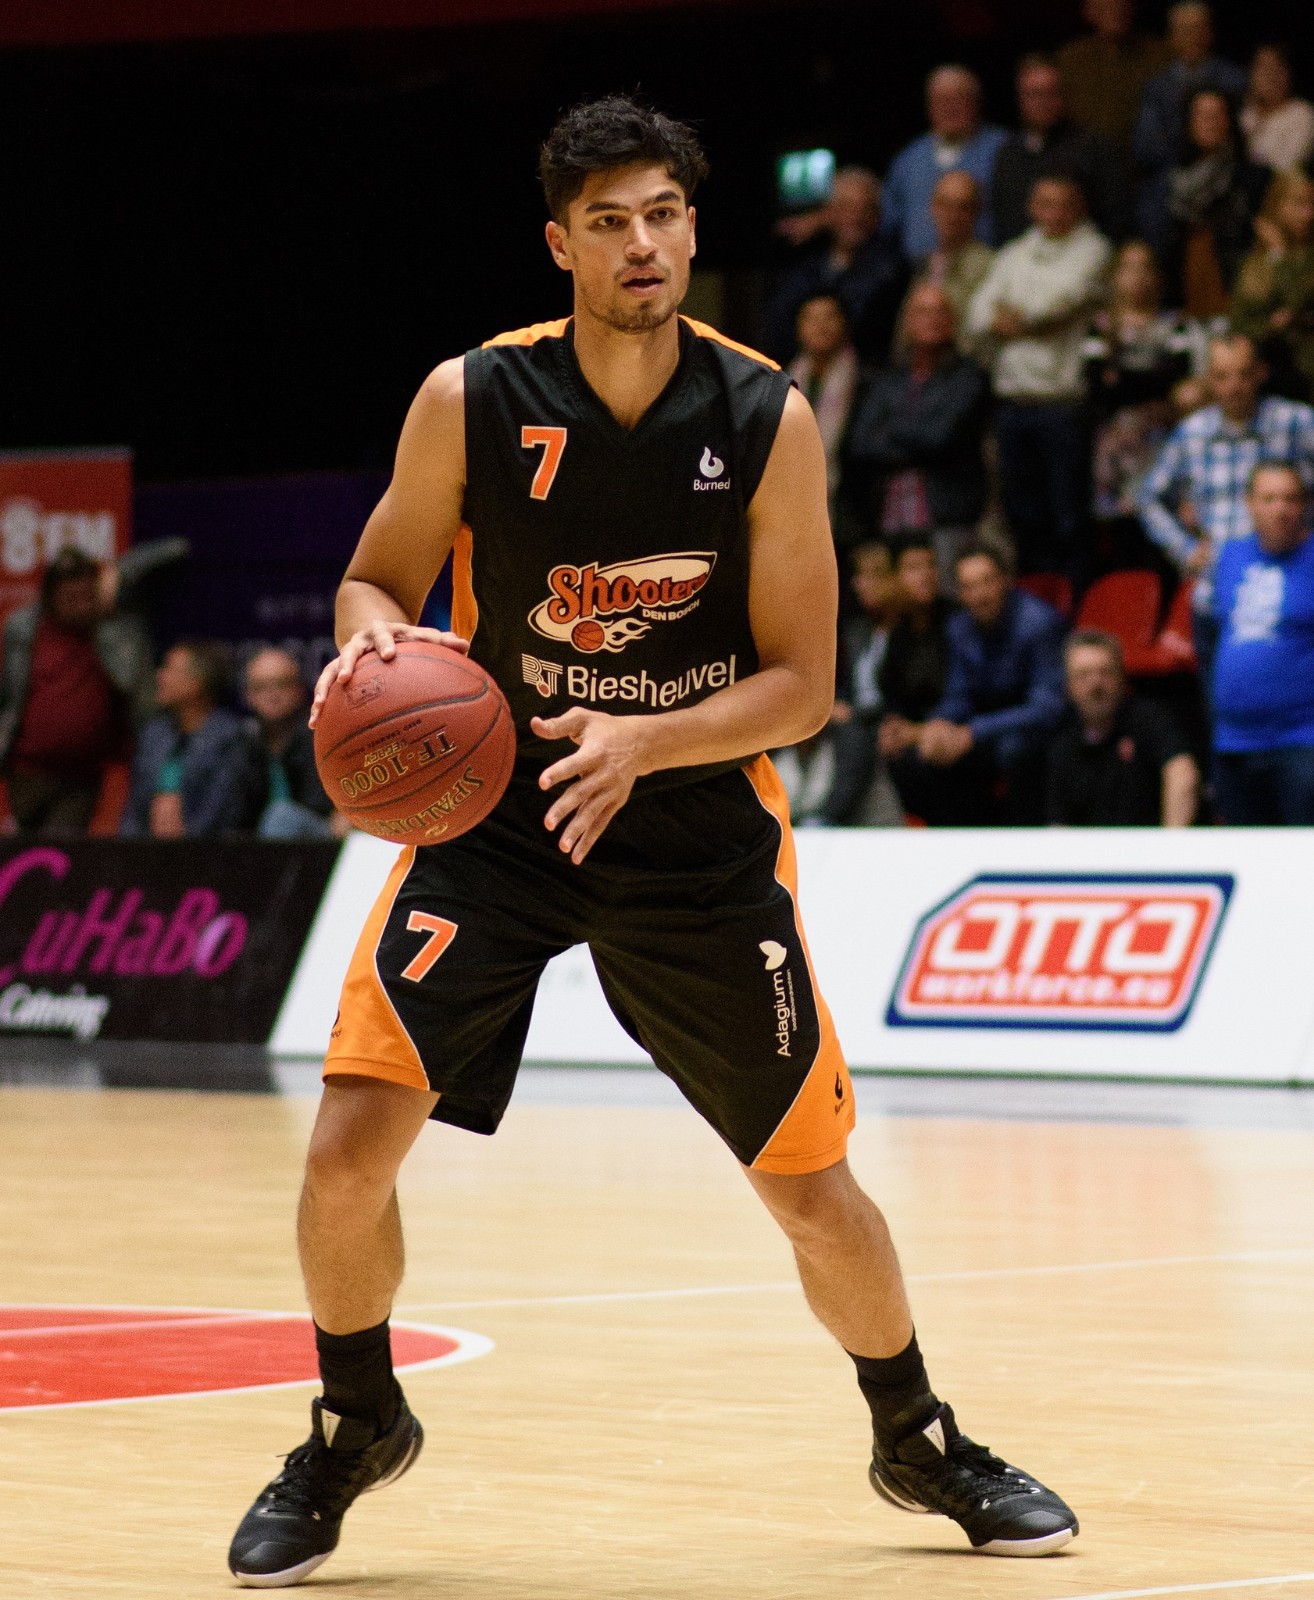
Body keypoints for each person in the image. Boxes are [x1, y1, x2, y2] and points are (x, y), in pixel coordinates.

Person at [224, 97, 1079, 1588]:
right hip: (498, 817)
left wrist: (643, 739)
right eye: (610, 221)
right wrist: (368, 647)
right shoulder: (472, 397)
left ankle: (917, 1435)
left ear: (693, 229)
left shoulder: (764, 417)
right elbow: (376, 578)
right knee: (347, 1150)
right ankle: (355, 1421)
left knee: (807, 1188)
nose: (643, 244)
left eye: (665, 215)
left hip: (693, 829)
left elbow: (803, 687)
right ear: (560, 244)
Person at [1138, 332, 1314, 676]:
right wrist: (1185, 549)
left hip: (1293, 593)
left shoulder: (1295, 422)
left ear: (1261, 373)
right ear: (1209, 380)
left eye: (1244, 374)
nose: (1234, 386)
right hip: (1217, 595)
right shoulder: (1193, 433)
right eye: (1222, 376)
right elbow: (1148, 497)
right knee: (1225, 702)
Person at [967, 175, 1112, 579]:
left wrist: (1018, 316)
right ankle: (1037, 598)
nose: (1055, 212)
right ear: (1031, 208)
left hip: (1062, 403)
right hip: (1013, 403)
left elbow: (1055, 302)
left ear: (1079, 208)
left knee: (1069, 516)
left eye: (1064, 203)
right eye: (1045, 203)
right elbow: (977, 313)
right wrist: (1020, 321)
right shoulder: (1014, 253)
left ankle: (1076, 600)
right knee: (1022, 516)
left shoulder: (1093, 249)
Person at [885, 543, 1066, 825]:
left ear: (1005, 581)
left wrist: (973, 732)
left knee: (1013, 752)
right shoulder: (959, 628)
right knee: (920, 757)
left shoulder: (1038, 623)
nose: (980, 595)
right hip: (982, 729)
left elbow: (1046, 709)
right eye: (969, 587)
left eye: (986, 582)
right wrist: (937, 726)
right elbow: (958, 697)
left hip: (1031, 729)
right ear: (960, 594)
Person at [0, 548, 154, 836]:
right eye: (70, 597)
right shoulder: (22, 629)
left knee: (60, 847)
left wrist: (117, 574)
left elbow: (176, 550)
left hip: (82, 776)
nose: (80, 606)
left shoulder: (116, 632)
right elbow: (9, 697)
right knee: (24, 852)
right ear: (50, 597)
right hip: (26, 771)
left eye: (87, 595)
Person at [844, 283, 989, 579]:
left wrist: (890, 427)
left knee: (946, 593)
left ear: (952, 322)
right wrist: (917, 434)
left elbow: (940, 439)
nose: (932, 319)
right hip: (888, 512)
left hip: (947, 513)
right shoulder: (889, 376)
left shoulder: (968, 375)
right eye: (922, 311)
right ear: (907, 321)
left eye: (940, 312)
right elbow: (861, 442)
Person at [1210, 461, 1314, 822]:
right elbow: (1215, 631)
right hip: (1233, 740)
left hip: (1300, 740)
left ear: (1304, 505)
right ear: (1250, 504)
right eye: (1268, 499)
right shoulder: (1230, 555)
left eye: (1289, 499)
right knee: (1243, 849)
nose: (1279, 509)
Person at [1083, 239, 1207, 530]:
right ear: (1115, 276)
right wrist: (1151, 380)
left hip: (1162, 437)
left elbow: (1176, 378)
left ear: (1157, 276)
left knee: (1164, 520)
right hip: (1115, 442)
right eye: (1128, 268)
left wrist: (1121, 377)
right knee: (1119, 528)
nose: (1138, 276)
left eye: (1145, 268)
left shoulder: (1176, 324)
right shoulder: (1102, 327)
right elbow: (1097, 386)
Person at [1046, 629, 1200, 825]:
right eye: (1083, 675)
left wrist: (1172, 841)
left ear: (1122, 676)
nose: (1095, 685)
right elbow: (1058, 824)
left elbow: (1182, 772)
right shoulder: (1062, 745)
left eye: (1105, 672)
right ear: (1068, 686)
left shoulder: (1150, 719)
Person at [1133, 2, 1247, 255]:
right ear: (1171, 37)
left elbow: (1240, 140)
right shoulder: (1156, 88)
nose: (1191, 37)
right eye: (1183, 30)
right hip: (1174, 179)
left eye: (1198, 29)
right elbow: (1146, 147)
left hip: (1226, 175)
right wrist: (1188, 155)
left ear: (1210, 33)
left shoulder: (1234, 80)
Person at [764, 167, 906, 364]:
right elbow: (779, 325)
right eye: (846, 207)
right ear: (829, 212)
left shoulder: (891, 270)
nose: (855, 217)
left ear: (877, 216)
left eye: (865, 209)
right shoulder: (807, 262)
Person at [991, 54, 1126, 247]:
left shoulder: (1094, 148)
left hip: (1080, 254)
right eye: (1033, 94)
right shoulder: (1007, 153)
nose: (1042, 102)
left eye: (1050, 93)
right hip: (1020, 256)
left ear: (1063, 96)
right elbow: (1003, 219)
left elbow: (1114, 219)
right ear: (1020, 99)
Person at [119, 640, 248, 838]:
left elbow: (220, 810)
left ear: (197, 683)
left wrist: (182, 849)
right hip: (146, 848)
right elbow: (134, 810)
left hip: (205, 849)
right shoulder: (153, 734)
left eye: (169, 669)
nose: (160, 675)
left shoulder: (230, 737)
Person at [882, 67, 1007, 263]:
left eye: (957, 98)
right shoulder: (909, 158)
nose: (949, 107)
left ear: (976, 102)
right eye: (940, 100)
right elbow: (888, 220)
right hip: (920, 270)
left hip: (984, 268)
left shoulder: (1002, 150)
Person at [1165, 89, 1269, 320]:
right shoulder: (1170, 181)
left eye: (1217, 115)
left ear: (1230, 120)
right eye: (1202, 115)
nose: (1210, 123)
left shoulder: (1254, 177)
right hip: (1183, 292)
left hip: (1237, 290)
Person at [240, 646, 346, 839]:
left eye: (281, 684)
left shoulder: (323, 735)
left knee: (281, 818)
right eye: (260, 687)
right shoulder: (242, 742)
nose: (272, 695)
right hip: (258, 845)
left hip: (324, 837)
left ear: (299, 689)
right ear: (248, 696)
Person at [1230, 169, 1314, 403]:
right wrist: (1272, 326)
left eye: (1312, 204)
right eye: (1299, 204)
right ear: (1278, 205)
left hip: (1304, 368)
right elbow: (1238, 325)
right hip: (1262, 363)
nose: (1308, 214)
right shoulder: (1255, 261)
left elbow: (1296, 302)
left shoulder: (1307, 257)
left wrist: (1280, 254)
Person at [877, 538, 955, 767]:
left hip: (952, 725)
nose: (925, 575)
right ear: (896, 577)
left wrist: (919, 731)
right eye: (914, 568)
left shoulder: (956, 621)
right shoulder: (898, 630)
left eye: (930, 565)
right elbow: (891, 690)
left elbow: (962, 692)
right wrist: (894, 723)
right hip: (912, 728)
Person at [1057, 0, 1171, 154]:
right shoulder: (1070, 59)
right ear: (1088, 12)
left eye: (1120, 4)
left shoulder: (1159, 56)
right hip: (1084, 156)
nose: (1116, 10)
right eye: (1106, 6)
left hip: (1144, 157)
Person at [788, 293, 862, 511]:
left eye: (829, 317)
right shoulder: (784, 379)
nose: (821, 326)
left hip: (848, 497)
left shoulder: (863, 379)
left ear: (844, 324)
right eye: (812, 319)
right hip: (794, 489)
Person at [910, 171, 995, 344]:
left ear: (976, 212)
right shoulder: (923, 262)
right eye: (944, 204)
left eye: (962, 207)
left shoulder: (989, 266)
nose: (952, 215)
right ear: (932, 207)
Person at [1240, 44, 1314, 174]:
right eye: (1261, 67)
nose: (1268, 76)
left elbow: (1288, 165)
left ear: (1287, 74)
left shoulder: (1303, 115)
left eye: (1275, 68)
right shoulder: (1246, 112)